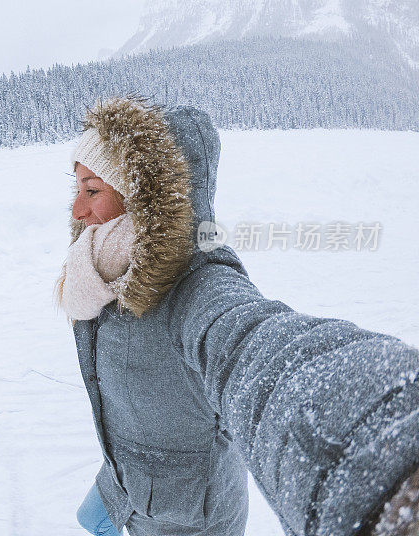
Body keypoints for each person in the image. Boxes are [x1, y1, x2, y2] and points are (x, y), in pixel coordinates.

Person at [54, 96, 419, 536]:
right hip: (123, 480)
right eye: (77, 189)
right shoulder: (102, 267)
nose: (77, 210)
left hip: (185, 514)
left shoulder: (197, 282)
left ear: (143, 196)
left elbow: (256, 346)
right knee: (89, 520)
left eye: (93, 190)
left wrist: (382, 441)